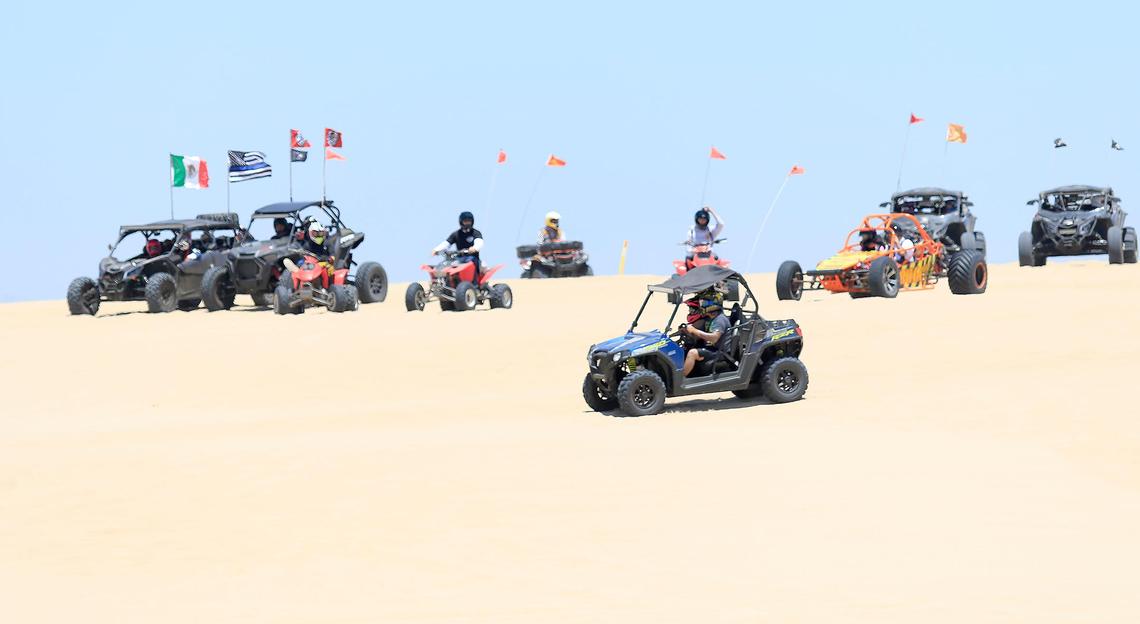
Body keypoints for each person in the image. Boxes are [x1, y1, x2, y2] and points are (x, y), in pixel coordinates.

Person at [681, 295, 731, 376]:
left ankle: (681, 380)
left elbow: (714, 338)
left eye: (704, 303)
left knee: (692, 353)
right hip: (712, 348)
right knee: (686, 348)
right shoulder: (711, 318)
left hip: (719, 352)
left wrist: (694, 331)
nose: (701, 306)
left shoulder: (720, 320)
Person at [432, 211, 484, 276]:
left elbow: (479, 242)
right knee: (449, 264)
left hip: (472, 258)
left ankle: (475, 282)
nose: (467, 223)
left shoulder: (476, 233)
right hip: (459, 258)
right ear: (461, 222)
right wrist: (436, 249)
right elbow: (446, 243)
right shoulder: (456, 234)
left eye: (469, 221)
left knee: (472, 262)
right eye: (465, 221)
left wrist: (475, 248)